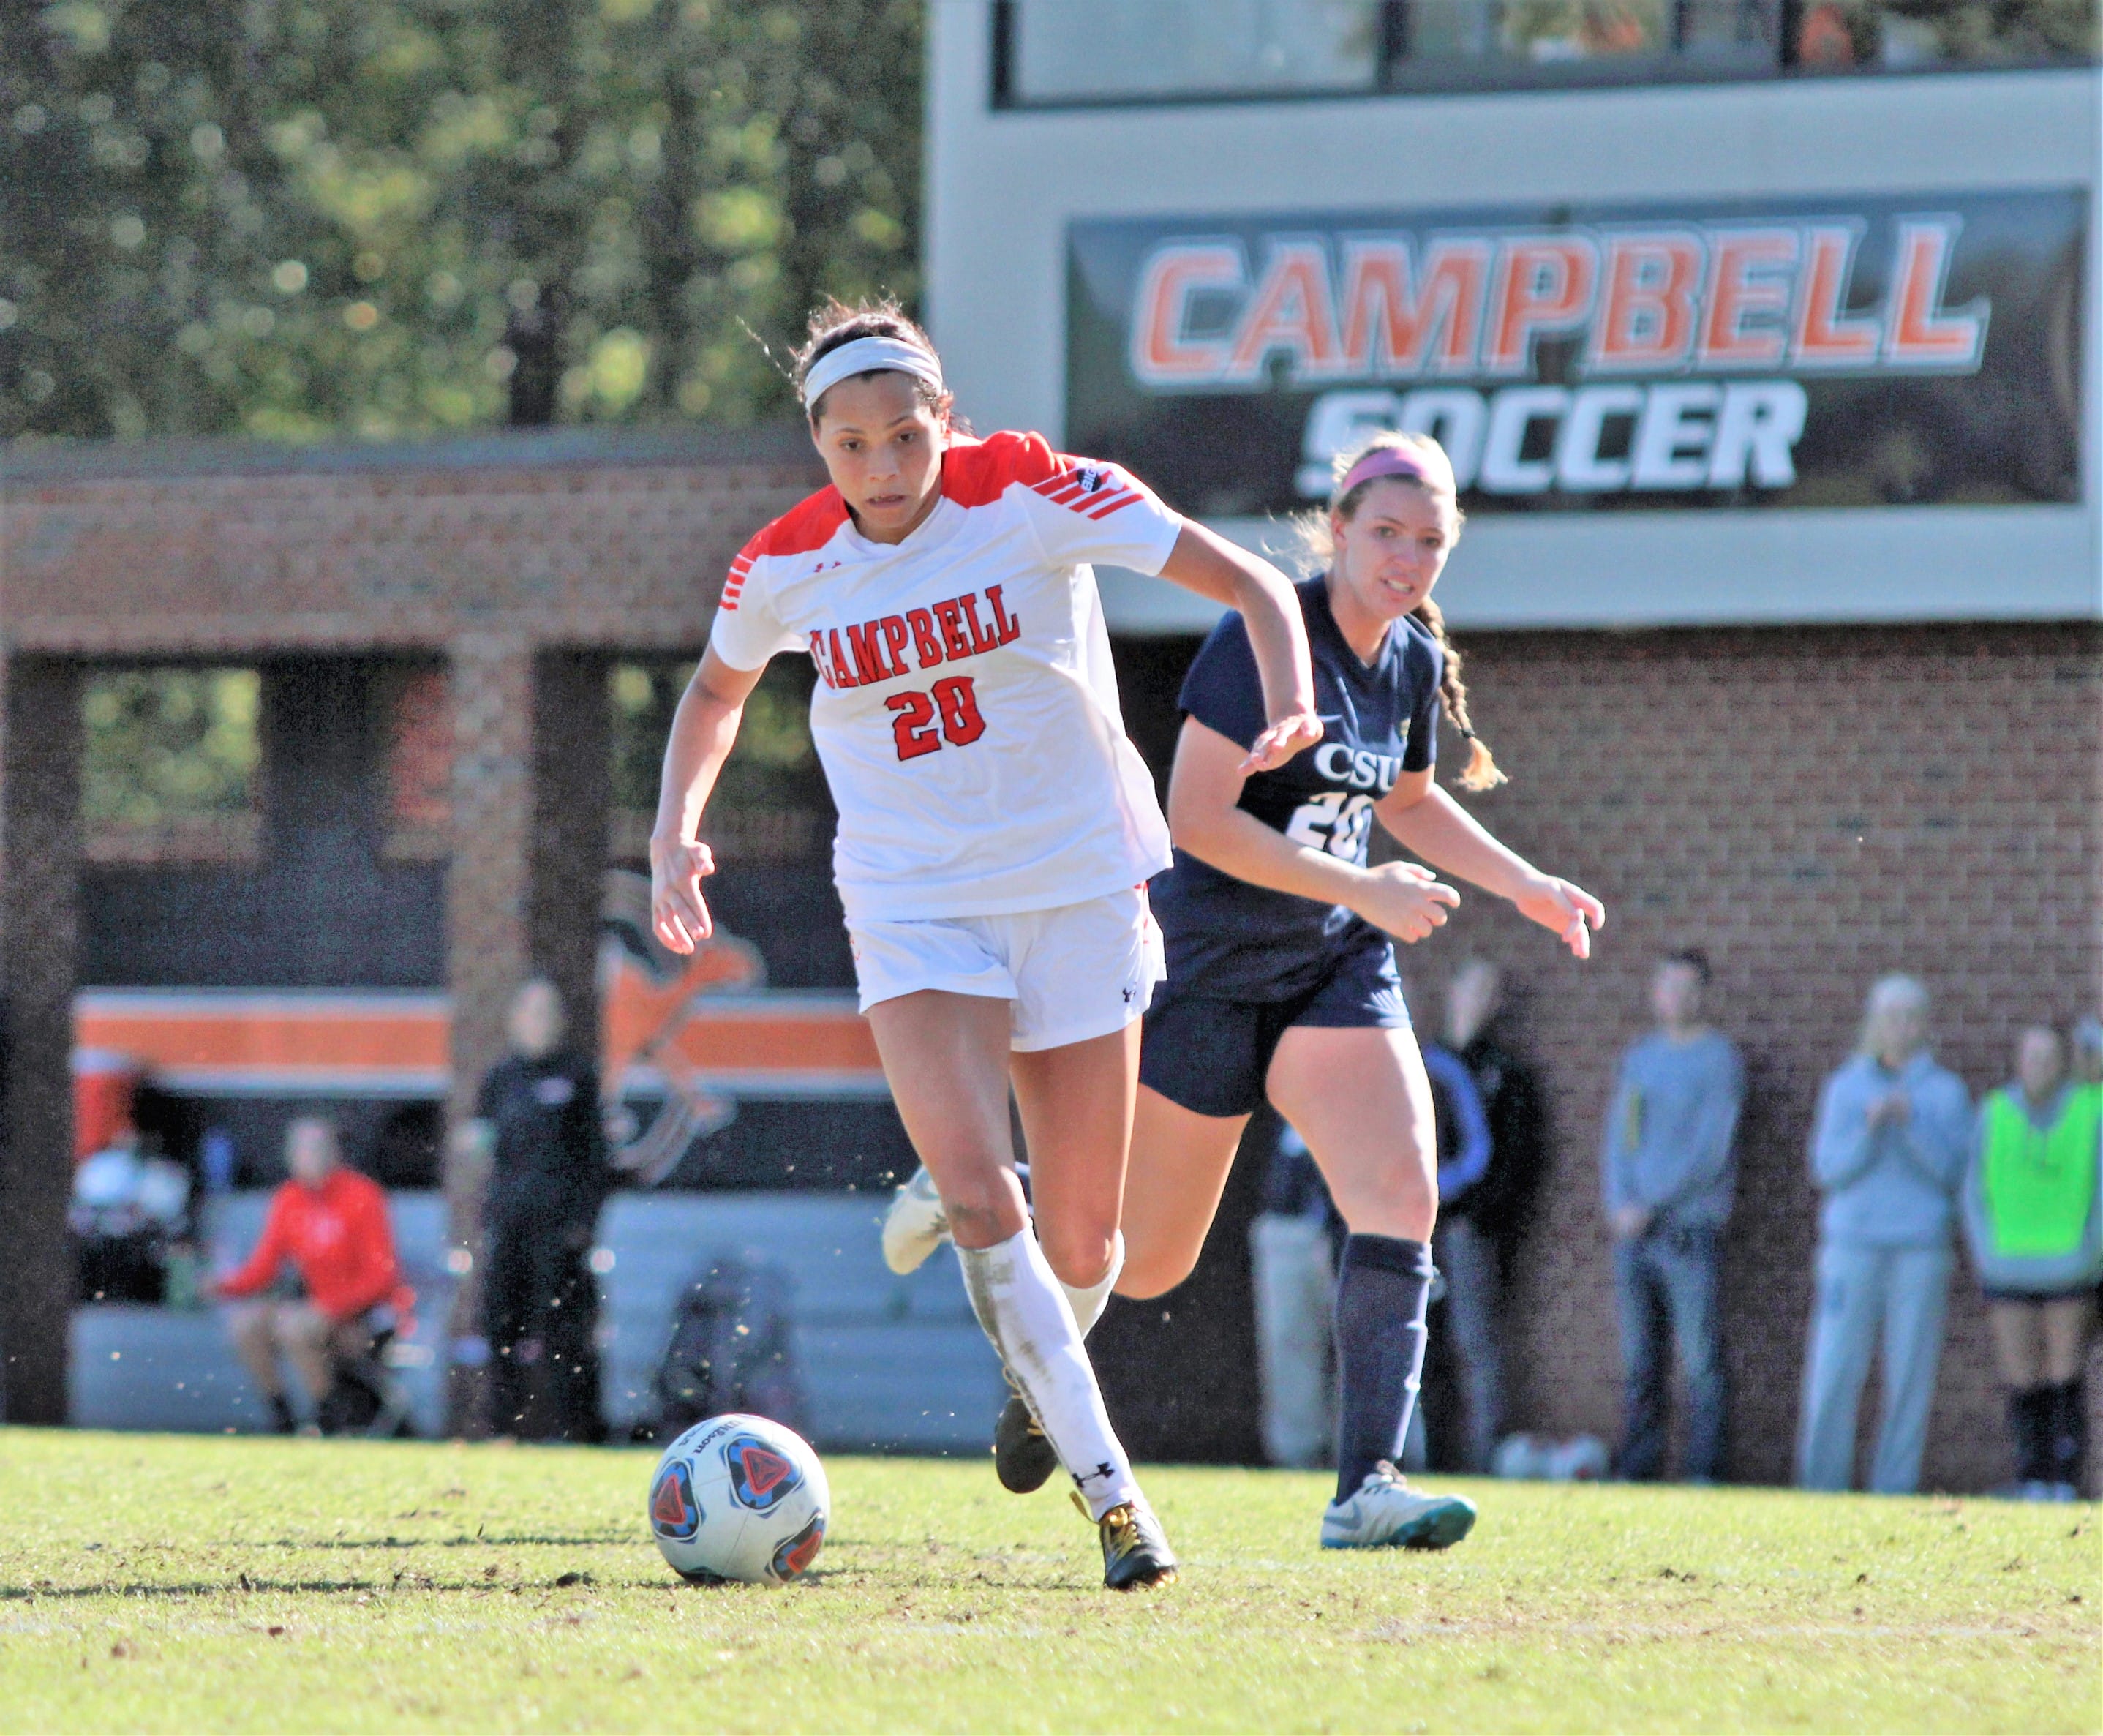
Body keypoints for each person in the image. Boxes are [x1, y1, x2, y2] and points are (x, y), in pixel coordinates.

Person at [650, 298, 1321, 1590]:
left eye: (905, 436)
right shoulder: (784, 562)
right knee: (981, 1196)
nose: (882, 470)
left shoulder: (1028, 487)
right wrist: (675, 831)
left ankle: (1037, 1369)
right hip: (916, 903)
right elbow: (716, 690)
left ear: (944, 421)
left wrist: (1288, 690)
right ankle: (1119, 1505)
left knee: (1086, 1247)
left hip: (1076, 887)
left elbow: (1246, 578)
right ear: (819, 448)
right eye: (850, 445)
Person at [886, 430, 1606, 1552]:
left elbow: (1407, 799)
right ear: (1336, 528)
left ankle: (1364, 1485)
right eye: (1384, 533)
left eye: (1428, 540)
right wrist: (1360, 885)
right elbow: (1197, 818)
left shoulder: (1408, 659)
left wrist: (1523, 886)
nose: (1405, 558)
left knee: (1399, 1186)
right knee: (1140, 1258)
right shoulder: (1258, 637)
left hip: (1329, 962)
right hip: (1207, 968)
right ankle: (990, 1186)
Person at [1797, 974, 1972, 1494]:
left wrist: (1911, 1124)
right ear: (1872, 1022)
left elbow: (1953, 1173)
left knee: (1908, 1379)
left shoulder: (1945, 1092)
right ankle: (1819, 1488)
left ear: (1925, 1024)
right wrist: (1869, 1128)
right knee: (1832, 1371)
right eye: (1889, 1015)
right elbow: (1826, 1169)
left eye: (1910, 1015)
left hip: (1919, 1251)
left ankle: (1891, 1490)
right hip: (1850, 1249)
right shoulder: (1844, 1087)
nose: (1899, 1026)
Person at [1600, 949, 1745, 1483]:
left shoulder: (1719, 1060)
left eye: (1688, 988)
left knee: (1700, 1360)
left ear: (1702, 995)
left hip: (1688, 1230)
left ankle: (1704, 1470)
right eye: (1668, 986)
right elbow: (1621, 1135)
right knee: (1639, 1360)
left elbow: (1710, 1151)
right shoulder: (1639, 1057)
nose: (1677, 998)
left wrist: (1650, 1203)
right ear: (1654, 992)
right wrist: (1619, 1202)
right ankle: (1638, 1469)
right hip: (1632, 1232)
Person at [462, 977, 612, 1444]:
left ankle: (577, 1430)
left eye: (548, 1013)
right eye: (530, 1012)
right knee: (500, 1323)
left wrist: (584, 1223)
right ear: (515, 1021)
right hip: (510, 1226)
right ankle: (503, 1428)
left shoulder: (577, 1076)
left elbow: (594, 1158)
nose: (538, 1022)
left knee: (564, 1330)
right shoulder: (501, 1077)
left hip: (559, 1230)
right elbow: (480, 1142)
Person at [1961, 1025, 2102, 1498]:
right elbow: (1973, 1189)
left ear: (2062, 1061)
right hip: (2008, 1265)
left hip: (2069, 1264)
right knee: (2021, 1373)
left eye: (2048, 1056)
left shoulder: (2088, 1109)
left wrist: (2090, 1250)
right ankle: (2032, 1475)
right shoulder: (1995, 1112)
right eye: (2030, 1055)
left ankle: (2064, 1478)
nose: (2038, 1065)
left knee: (2064, 1369)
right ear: (2017, 1061)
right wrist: (1985, 1253)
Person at [212, 1116, 402, 1434]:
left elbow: (383, 1277)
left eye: (315, 1149)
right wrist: (223, 1285)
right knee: (244, 1325)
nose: (306, 1158)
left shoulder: (362, 1195)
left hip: (359, 1316)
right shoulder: (289, 1198)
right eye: (299, 1151)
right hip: (313, 1308)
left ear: (334, 1154)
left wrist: (330, 1306)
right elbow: (264, 1267)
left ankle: (330, 1413)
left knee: (294, 1326)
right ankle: (281, 1414)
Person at [1434, 955, 1546, 1470]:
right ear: (1452, 991)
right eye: (1471, 987)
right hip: (1417, 1228)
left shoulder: (1504, 1076)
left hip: (1469, 1230)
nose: (1478, 1001)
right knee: (1420, 1346)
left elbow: (1516, 1160)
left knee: (1474, 1342)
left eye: (1489, 991)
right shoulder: (1425, 1064)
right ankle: (1419, 1458)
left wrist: (1473, 1213)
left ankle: (1482, 1458)